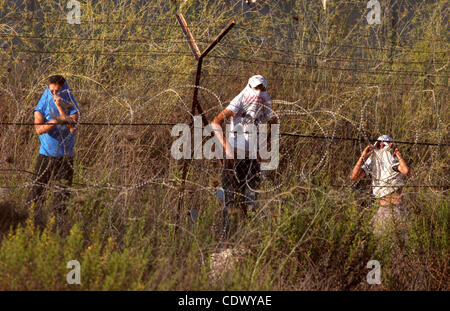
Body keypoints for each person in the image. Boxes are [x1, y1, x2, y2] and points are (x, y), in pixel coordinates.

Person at [211, 75, 278, 241]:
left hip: (253, 159)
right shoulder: (239, 101)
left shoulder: (264, 102)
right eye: (255, 88)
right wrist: (227, 147)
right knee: (230, 197)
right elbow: (215, 122)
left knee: (249, 199)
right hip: (234, 158)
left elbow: (274, 123)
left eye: (261, 89)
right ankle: (225, 239)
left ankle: (243, 239)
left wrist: (264, 147)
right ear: (249, 87)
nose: (258, 92)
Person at [26, 75, 81, 231]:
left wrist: (60, 109)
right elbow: (38, 129)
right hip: (46, 155)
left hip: (66, 157)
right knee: (36, 194)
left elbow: (73, 127)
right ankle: (32, 226)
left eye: (58, 90)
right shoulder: (42, 106)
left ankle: (59, 230)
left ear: (64, 89)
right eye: (52, 90)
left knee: (62, 197)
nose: (55, 93)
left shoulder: (71, 104)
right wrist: (56, 120)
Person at [350, 135, 410, 238]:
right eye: (379, 144)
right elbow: (354, 176)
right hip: (382, 208)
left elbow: (405, 170)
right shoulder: (373, 161)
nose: (381, 146)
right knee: (379, 243)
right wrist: (362, 157)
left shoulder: (393, 159)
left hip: (396, 209)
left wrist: (398, 155)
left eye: (384, 144)